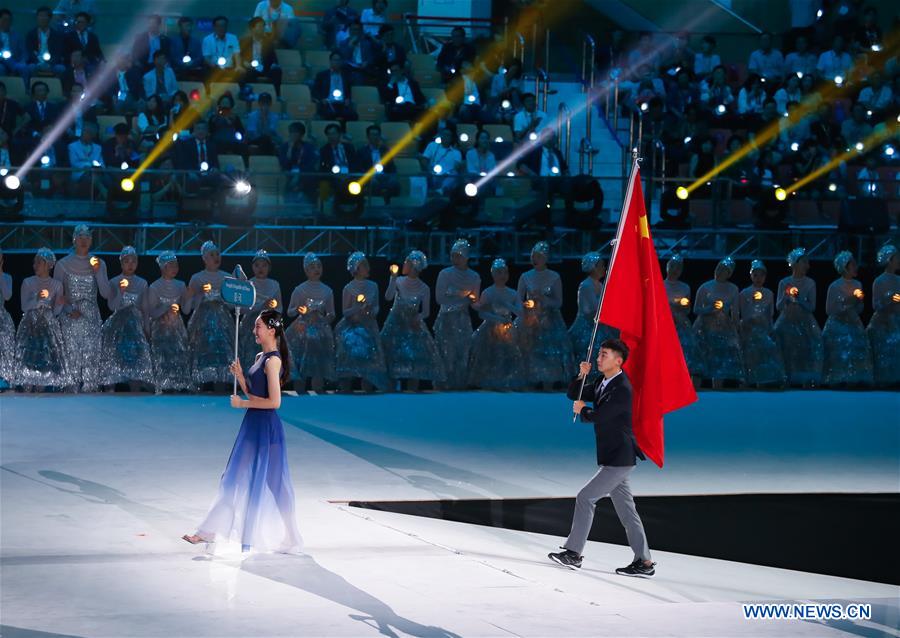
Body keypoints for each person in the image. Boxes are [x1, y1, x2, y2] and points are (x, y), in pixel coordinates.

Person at [183, 309, 303, 554]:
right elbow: (256, 395)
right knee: (231, 477)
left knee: (275, 484)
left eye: (258, 326)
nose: (254, 330)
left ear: (271, 329)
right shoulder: (261, 356)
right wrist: (241, 378)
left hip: (267, 428)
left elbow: (274, 402)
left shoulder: (273, 361)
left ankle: (292, 537)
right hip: (252, 425)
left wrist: (242, 404)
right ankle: (208, 531)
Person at [549, 338, 654, 577]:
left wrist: (583, 410)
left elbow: (602, 416)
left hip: (620, 456)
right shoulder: (602, 381)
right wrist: (580, 375)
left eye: (604, 355)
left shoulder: (622, 388)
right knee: (628, 512)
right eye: (599, 354)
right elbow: (573, 393)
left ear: (618, 361)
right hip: (613, 455)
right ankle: (644, 562)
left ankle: (573, 553)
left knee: (585, 498)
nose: (598, 358)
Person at [53, 224, 110, 392]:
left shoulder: (99, 263)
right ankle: (70, 388)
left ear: (91, 240)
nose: (84, 240)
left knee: (91, 353)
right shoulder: (63, 264)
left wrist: (98, 271)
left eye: (87, 237)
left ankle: (90, 389)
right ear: (74, 239)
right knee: (71, 353)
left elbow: (106, 293)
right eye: (80, 236)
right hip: (70, 316)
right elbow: (57, 296)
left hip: (91, 315)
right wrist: (69, 310)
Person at [381, 250, 446, 391]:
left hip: (413, 325)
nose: (404, 264)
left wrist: (418, 318)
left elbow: (426, 312)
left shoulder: (424, 288)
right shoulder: (398, 281)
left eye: (406, 262)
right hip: (396, 323)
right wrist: (392, 278)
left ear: (413, 266)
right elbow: (388, 297)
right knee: (393, 355)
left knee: (414, 358)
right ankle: (392, 391)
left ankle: (413, 393)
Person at [515, 241, 573, 390]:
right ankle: (530, 380)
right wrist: (527, 305)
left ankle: (549, 381)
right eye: (533, 256)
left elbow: (558, 302)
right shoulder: (525, 277)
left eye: (539, 256)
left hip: (549, 320)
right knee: (529, 350)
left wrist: (543, 299)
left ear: (546, 258)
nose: (535, 259)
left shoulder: (554, 277)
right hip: (529, 321)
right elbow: (517, 300)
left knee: (549, 352)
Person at [15, 248, 70, 391]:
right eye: (35, 262)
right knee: (29, 357)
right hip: (30, 325)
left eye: (39, 262)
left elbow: (55, 312)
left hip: (47, 326)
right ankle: (26, 388)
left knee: (44, 358)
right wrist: (36, 299)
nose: (35, 265)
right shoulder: (28, 282)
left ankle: (41, 391)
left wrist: (59, 304)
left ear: (48, 265)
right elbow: (24, 306)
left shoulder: (57, 285)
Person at [99, 246, 153, 390]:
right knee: (114, 356)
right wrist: (120, 293)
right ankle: (110, 388)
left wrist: (146, 328)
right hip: (118, 326)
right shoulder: (114, 281)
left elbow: (145, 309)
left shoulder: (142, 283)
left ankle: (135, 391)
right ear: (121, 263)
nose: (130, 264)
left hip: (134, 326)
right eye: (126, 261)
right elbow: (112, 306)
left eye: (133, 261)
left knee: (135, 359)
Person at [334, 251, 389, 392]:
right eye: (363, 264)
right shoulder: (348, 288)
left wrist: (371, 311)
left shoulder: (373, 286)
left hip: (369, 326)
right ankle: (346, 388)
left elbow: (377, 307)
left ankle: (368, 389)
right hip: (352, 326)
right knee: (350, 355)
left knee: (369, 360)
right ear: (356, 268)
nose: (367, 267)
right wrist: (356, 310)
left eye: (367, 264)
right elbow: (345, 311)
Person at [184, 241, 234, 390]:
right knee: (202, 349)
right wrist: (200, 293)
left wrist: (222, 298)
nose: (216, 257)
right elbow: (190, 304)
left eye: (218, 254)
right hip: (203, 320)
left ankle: (222, 383)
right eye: (212, 254)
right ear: (204, 258)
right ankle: (201, 384)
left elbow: (232, 304)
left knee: (223, 349)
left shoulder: (227, 277)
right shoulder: (197, 278)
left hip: (222, 320)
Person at [467, 258, 523, 390]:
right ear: (493, 274)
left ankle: (507, 380)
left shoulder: (512, 293)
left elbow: (521, 313)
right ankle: (489, 380)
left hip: (508, 328)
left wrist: (508, 306)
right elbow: (482, 313)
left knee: (508, 353)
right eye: (499, 273)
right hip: (490, 328)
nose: (502, 276)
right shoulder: (488, 292)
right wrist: (496, 318)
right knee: (490, 354)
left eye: (504, 272)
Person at [433, 239, 481, 390]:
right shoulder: (445, 274)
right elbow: (440, 298)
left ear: (466, 257)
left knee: (462, 351)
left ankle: (459, 384)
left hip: (462, 320)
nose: (455, 259)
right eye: (453, 255)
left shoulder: (474, 277)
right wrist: (462, 299)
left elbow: (475, 302)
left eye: (458, 255)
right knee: (446, 351)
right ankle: (444, 384)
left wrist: (477, 302)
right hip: (446, 319)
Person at [822, 251, 874, 387]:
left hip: (854, 323)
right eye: (853, 264)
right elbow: (829, 310)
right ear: (845, 266)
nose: (856, 267)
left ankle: (855, 378)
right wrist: (848, 301)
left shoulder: (858, 284)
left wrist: (859, 302)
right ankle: (838, 378)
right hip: (837, 324)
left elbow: (860, 309)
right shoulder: (834, 286)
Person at [773, 247, 823, 388]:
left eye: (807, 262)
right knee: (784, 343)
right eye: (804, 262)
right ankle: (785, 376)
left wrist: (799, 299)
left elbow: (812, 307)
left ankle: (804, 379)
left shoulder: (810, 282)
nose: (807, 265)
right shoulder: (784, 282)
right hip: (787, 319)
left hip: (804, 320)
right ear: (795, 263)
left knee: (806, 345)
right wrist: (786, 297)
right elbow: (778, 306)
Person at [286, 253, 335, 393]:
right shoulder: (299, 290)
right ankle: (300, 392)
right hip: (301, 330)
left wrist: (324, 320)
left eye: (319, 266)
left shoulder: (327, 291)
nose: (316, 269)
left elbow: (332, 314)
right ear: (306, 270)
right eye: (312, 267)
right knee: (301, 361)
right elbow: (290, 311)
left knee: (318, 365)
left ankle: (317, 392)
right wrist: (300, 310)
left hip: (320, 332)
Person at [693, 257, 744, 389]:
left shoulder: (733, 289)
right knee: (701, 356)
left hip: (723, 327)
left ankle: (718, 387)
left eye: (724, 270)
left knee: (720, 357)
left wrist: (736, 328)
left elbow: (735, 312)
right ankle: (696, 388)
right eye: (719, 268)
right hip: (705, 326)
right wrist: (708, 309)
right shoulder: (705, 287)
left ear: (729, 273)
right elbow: (696, 309)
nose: (720, 272)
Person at [146, 251, 192, 393]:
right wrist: (165, 309)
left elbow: (185, 310)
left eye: (176, 265)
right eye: (171, 265)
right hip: (161, 327)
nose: (175, 268)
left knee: (178, 354)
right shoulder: (154, 287)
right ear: (163, 267)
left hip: (176, 327)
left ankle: (178, 384)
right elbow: (151, 312)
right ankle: (161, 384)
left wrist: (189, 297)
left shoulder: (181, 285)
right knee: (162, 354)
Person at [569, 252, 619, 383]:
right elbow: (592, 308)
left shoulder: (600, 285)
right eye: (601, 266)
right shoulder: (586, 285)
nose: (604, 269)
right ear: (593, 267)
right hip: (587, 325)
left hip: (598, 323)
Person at [738, 260, 786, 388]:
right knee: (750, 353)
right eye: (755, 275)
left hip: (763, 328)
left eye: (761, 275)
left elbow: (770, 314)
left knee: (766, 351)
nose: (759, 278)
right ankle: (747, 379)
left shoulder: (769, 293)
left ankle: (764, 379)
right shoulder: (744, 293)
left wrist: (770, 328)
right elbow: (743, 312)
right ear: (751, 276)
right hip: (749, 328)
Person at [239, 250, 283, 373]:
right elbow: (242, 308)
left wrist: (272, 308)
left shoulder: (274, 284)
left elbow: (279, 307)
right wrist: (260, 306)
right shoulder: (248, 284)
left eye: (264, 265)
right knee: (251, 354)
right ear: (252, 267)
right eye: (257, 265)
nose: (260, 268)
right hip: (251, 326)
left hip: (269, 325)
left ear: (269, 268)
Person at [663, 254, 702, 382]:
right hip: (664, 323)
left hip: (681, 324)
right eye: (672, 266)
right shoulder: (659, 284)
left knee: (685, 352)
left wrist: (683, 305)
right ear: (667, 267)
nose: (675, 270)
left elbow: (688, 309)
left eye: (678, 268)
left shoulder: (685, 287)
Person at [867, 244, 900, 388]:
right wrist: (889, 300)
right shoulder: (879, 281)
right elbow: (875, 306)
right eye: (897, 258)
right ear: (889, 260)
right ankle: (884, 379)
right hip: (882, 322)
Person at [240, 17, 282, 95]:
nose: (262, 29)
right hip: (251, 68)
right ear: (252, 28)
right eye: (260, 26)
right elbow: (239, 57)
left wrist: (274, 65)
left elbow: (274, 58)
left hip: (265, 68)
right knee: (246, 73)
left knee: (277, 71)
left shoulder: (268, 42)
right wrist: (244, 63)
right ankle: (250, 94)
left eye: (263, 26)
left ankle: (277, 95)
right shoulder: (244, 42)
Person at [312, 51, 357, 121]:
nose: (337, 62)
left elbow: (351, 91)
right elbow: (315, 91)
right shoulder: (322, 75)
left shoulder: (347, 76)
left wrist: (348, 99)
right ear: (330, 61)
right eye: (335, 60)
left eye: (339, 60)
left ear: (342, 62)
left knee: (353, 115)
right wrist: (321, 99)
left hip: (343, 104)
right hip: (328, 103)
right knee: (328, 114)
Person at [25, 6, 67, 79]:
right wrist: (37, 62)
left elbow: (58, 52)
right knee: (30, 68)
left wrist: (50, 63)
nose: (42, 18)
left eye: (45, 16)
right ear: (37, 18)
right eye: (40, 16)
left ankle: (56, 88)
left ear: (49, 18)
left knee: (61, 68)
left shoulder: (56, 35)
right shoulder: (31, 34)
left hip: (52, 63)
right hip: (36, 62)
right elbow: (29, 51)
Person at [279, 121, 318, 199]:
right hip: (289, 174)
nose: (293, 135)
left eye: (296, 133)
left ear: (301, 135)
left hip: (304, 175)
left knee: (310, 178)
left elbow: (311, 164)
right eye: (291, 132)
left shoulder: (308, 147)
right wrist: (290, 149)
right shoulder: (284, 147)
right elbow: (284, 164)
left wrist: (298, 175)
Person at [0, 249, 16, 388]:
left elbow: (7, 296)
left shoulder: (6, 277)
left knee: (4, 346)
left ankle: (4, 378)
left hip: (2, 316)